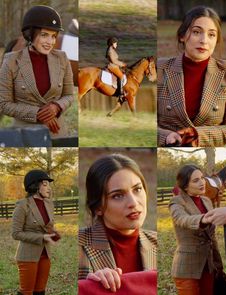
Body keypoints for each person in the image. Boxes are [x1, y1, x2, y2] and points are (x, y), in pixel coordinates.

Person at [157, 6, 226, 147]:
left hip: (208, 151)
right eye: (196, 32)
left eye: (211, 34)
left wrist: (197, 135)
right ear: (182, 36)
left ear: (216, 40)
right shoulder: (159, 69)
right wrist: (165, 136)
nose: (204, 40)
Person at [78, 154, 157, 293]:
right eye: (117, 196)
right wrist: (88, 287)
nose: (133, 203)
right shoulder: (78, 245)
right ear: (98, 207)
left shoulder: (157, 242)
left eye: (137, 189)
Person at [0, 5, 74, 138]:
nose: (50, 42)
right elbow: (3, 104)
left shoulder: (62, 58)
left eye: (53, 36)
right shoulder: (11, 60)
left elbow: (69, 95)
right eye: (44, 35)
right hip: (24, 134)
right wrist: (37, 113)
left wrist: (56, 106)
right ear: (30, 35)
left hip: (57, 133)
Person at [169, 164, 224, 295]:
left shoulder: (206, 200)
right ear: (185, 186)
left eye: (202, 178)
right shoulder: (176, 202)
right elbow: (182, 219)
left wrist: (218, 265)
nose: (202, 183)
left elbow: (212, 237)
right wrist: (202, 219)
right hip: (187, 267)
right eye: (196, 180)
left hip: (209, 266)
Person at [12, 169, 61, 295]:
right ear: (34, 186)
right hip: (28, 255)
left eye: (49, 184)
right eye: (45, 184)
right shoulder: (22, 206)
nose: (49, 188)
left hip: (46, 254)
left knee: (40, 291)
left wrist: (53, 233)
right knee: (27, 292)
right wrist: (42, 237)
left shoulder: (49, 203)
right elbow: (16, 233)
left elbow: (46, 226)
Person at [106, 37, 127, 101]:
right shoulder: (110, 50)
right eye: (115, 43)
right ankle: (120, 93)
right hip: (112, 66)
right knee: (121, 76)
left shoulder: (112, 50)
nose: (116, 45)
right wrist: (122, 64)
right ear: (112, 43)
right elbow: (113, 61)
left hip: (115, 66)